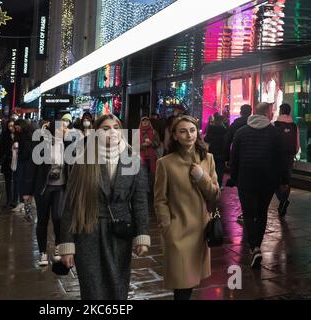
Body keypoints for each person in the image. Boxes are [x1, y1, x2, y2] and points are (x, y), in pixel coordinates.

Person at [59, 114, 151, 300]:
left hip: (119, 233)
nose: (112, 132)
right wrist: (67, 245)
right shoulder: (83, 161)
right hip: (88, 231)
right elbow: (71, 203)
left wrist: (142, 235)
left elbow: (140, 201)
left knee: (117, 288)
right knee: (92, 288)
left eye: (116, 127)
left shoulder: (132, 161)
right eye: (106, 128)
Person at [154, 115, 220, 300]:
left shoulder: (208, 159)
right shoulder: (165, 163)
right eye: (182, 131)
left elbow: (215, 194)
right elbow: (160, 200)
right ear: (174, 135)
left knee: (189, 284)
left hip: (200, 230)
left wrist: (201, 178)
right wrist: (167, 227)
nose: (189, 135)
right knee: (181, 285)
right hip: (177, 231)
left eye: (192, 130)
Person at [229, 102, 289, 268]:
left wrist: (233, 178)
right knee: (261, 212)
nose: (273, 113)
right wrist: (284, 180)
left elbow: (234, 159)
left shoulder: (241, 133)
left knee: (248, 213)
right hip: (267, 180)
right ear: (267, 113)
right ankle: (257, 246)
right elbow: (281, 160)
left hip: (246, 179)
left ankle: (254, 247)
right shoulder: (275, 134)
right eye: (271, 111)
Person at [24, 120, 71, 266]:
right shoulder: (42, 144)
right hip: (43, 187)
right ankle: (42, 252)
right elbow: (32, 167)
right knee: (42, 220)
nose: (66, 128)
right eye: (63, 126)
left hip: (60, 186)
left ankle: (58, 245)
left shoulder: (67, 144)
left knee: (58, 217)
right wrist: (28, 191)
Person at [224, 104, 252, 222]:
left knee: (242, 185)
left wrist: (227, 157)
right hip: (253, 158)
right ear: (250, 112)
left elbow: (227, 140)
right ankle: (251, 210)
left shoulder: (235, 124)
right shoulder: (253, 123)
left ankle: (246, 211)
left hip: (239, 158)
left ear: (241, 112)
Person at [274, 103, 299, 218]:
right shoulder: (294, 126)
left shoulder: (276, 124)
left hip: (278, 156)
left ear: (280, 111)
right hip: (289, 156)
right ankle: (283, 201)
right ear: (289, 112)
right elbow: (297, 145)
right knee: (287, 180)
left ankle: (282, 200)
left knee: (276, 179)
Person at [204, 113, 228, 188]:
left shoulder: (211, 128)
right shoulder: (225, 129)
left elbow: (206, 139)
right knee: (220, 170)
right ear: (222, 121)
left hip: (212, 151)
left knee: (211, 168)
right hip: (221, 152)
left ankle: (212, 184)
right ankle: (219, 185)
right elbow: (227, 141)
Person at [0, 120, 17, 209]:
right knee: (8, 182)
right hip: (7, 162)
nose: (11, 128)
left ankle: (15, 200)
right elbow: (1, 148)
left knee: (16, 181)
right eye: (9, 126)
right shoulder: (4, 135)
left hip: (17, 162)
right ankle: (9, 200)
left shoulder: (19, 135)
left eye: (13, 126)